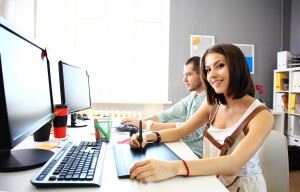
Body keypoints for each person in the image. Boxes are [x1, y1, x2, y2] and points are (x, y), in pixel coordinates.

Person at [129, 43, 274, 191]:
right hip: (211, 180)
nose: (212, 75)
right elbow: (182, 131)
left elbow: (233, 163)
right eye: (208, 69)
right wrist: (148, 137)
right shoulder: (213, 104)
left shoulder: (262, 115)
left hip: (242, 187)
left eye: (220, 66)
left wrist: (173, 168)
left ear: (237, 67)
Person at [122, 56, 206, 158]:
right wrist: (138, 121)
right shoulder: (193, 97)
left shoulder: (208, 101)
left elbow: (187, 129)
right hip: (182, 146)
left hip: (193, 154)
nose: (184, 80)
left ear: (202, 74)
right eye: (184, 75)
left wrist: (147, 125)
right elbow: (167, 114)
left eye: (188, 74)